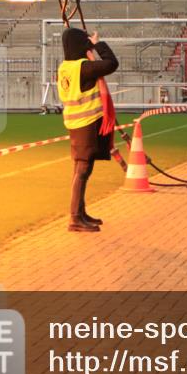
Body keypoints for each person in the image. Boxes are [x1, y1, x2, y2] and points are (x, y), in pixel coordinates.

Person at [57, 27, 118, 233]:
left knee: (83, 168)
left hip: (76, 123)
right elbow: (111, 63)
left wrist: (89, 46)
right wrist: (96, 44)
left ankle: (80, 212)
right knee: (82, 169)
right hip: (86, 122)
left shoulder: (65, 67)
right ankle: (75, 217)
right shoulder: (83, 67)